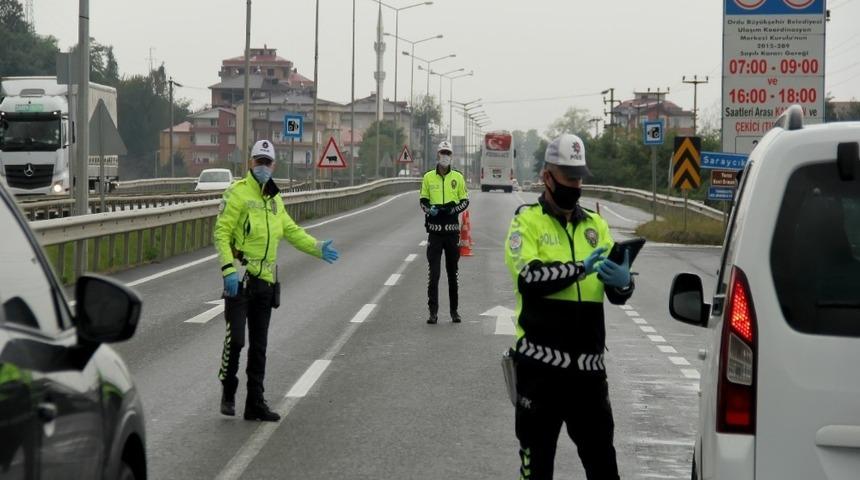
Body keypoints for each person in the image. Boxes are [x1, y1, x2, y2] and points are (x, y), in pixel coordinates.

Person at [504, 133, 633, 479]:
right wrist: (578, 269)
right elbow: (529, 280)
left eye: (579, 178)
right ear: (547, 177)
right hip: (541, 373)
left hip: (589, 377)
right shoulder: (526, 221)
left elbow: (617, 294)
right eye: (569, 178)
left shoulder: (596, 226)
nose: (576, 185)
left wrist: (624, 282)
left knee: (605, 469)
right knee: (537, 470)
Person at [214, 139, 340, 422]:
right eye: (258, 161)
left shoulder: (275, 199)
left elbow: (292, 232)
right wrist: (227, 269)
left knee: (259, 347)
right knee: (237, 341)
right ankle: (228, 386)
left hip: (265, 282)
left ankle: (255, 403)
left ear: (274, 165)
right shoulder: (236, 193)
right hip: (240, 279)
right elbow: (221, 233)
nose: (262, 167)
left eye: (267, 162)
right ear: (250, 163)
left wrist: (317, 247)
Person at [419, 140, 470, 324]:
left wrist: (453, 210)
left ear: (451, 156)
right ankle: (433, 312)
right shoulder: (428, 177)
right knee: (434, 275)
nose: (445, 156)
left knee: (452, 274)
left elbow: (465, 201)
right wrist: (429, 209)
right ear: (437, 155)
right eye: (443, 153)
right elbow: (423, 201)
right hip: (434, 233)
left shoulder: (458, 177)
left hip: (451, 233)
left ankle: (454, 311)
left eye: (448, 153)